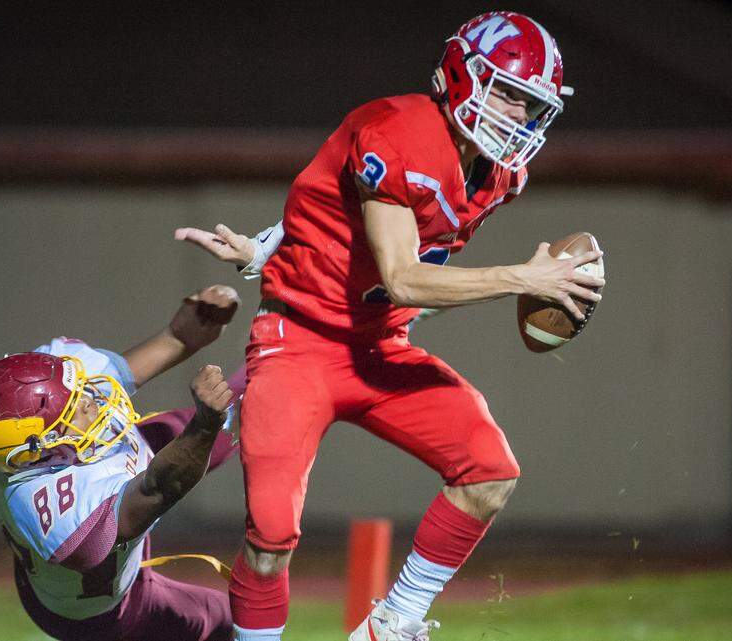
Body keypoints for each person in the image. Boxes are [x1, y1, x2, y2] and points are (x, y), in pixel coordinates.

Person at [176, 11, 604, 641]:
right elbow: (402, 275)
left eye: (530, 103)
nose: (515, 115)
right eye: (506, 92)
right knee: (270, 539)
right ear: (460, 75)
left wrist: (278, 248)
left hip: (380, 346)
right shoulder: (397, 132)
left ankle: (392, 626)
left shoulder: (499, 174)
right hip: (299, 344)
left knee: (489, 470)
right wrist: (524, 278)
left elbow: (377, 254)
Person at [0, 285, 244, 641]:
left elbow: (159, 348)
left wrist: (186, 331)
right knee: (230, 620)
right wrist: (204, 425)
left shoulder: (44, 416)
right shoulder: (48, 501)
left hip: (86, 546)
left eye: (78, 392)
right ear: (41, 450)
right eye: (74, 409)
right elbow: (161, 487)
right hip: (106, 615)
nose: (91, 403)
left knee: (234, 419)